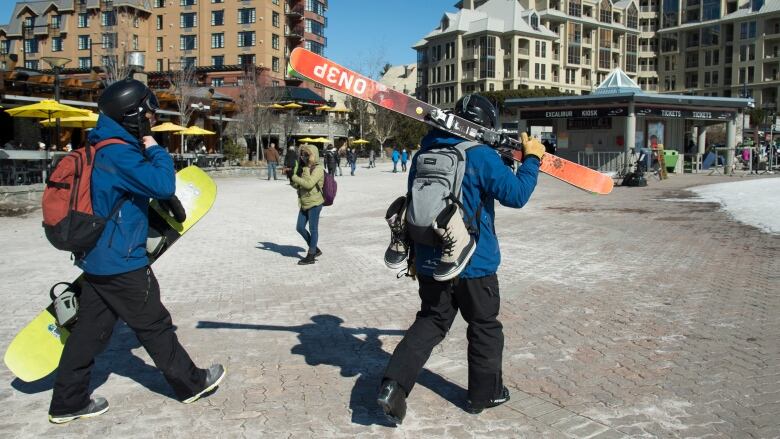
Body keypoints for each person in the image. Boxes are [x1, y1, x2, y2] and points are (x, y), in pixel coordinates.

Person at [47, 79, 225, 424]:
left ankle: (67, 403)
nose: (152, 116)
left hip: (98, 259)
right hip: (121, 261)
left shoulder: (103, 146)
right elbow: (162, 183)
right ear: (131, 115)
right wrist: (154, 147)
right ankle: (191, 384)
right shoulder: (119, 152)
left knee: (87, 333)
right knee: (154, 325)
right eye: (147, 111)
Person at [376, 94, 545, 424]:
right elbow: (517, 194)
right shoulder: (480, 155)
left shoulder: (424, 152)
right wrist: (533, 159)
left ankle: (392, 387)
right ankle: (484, 394)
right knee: (484, 327)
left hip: (428, 260)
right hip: (475, 263)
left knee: (431, 321)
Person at [291, 144, 325, 265]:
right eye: (302, 154)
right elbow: (298, 185)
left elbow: (309, 184)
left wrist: (296, 176)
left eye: (307, 154)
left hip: (315, 203)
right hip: (305, 202)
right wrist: (291, 177)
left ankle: (311, 255)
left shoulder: (318, 169)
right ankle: (314, 248)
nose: (303, 157)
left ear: (313, 155)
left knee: (313, 229)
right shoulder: (304, 167)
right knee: (299, 227)